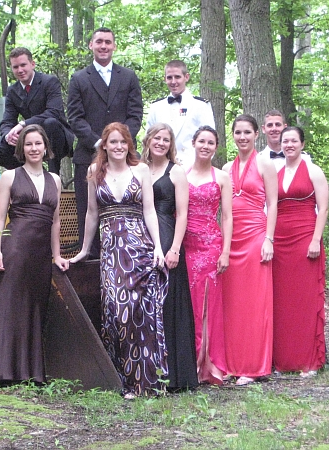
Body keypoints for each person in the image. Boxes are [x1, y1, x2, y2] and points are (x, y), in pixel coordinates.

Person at [70, 122, 167, 399]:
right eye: (113, 142)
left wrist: (159, 247)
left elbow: (150, 211)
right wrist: (84, 250)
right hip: (111, 251)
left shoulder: (141, 170)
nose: (118, 147)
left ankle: (145, 382)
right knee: (116, 311)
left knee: (139, 313)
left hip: (139, 248)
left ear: (129, 145)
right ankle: (121, 379)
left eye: (123, 142)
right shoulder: (93, 172)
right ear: (104, 145)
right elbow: (91, 214)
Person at [0, 125, 69, 386]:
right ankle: (2, 371)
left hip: (41, 254)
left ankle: (30, 372)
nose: (34, 149)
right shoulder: (9, 177)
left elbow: (55, 221)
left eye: (38, 143)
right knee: (10, 306)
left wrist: (57, 255)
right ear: (22, 148)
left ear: (45, 147)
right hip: (15, 247)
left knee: (34, 308)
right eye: (29, 144)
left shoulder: (56, 180)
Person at [67, 27, 143, 258]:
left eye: (108, 42)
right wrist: (100, 143)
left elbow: (135, 113)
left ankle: (128, 255)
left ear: (114, 46)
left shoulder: (128, 77)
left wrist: (119, 143)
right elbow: (75, 117)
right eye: (99, 41)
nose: (103, 46)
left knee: (129, 206)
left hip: (124, 156)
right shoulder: (79, 78)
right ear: (91, 45)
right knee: (87, 211)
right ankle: (88, 259)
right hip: (88, 153)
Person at [141, 123, 198, 391]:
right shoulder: (137, 168)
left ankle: (174, 374)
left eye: (166, 139)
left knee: (168, 307)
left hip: (167, 238)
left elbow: (183, 214)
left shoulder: (176, 172)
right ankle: (147, 373)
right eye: (157, 138)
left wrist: (175, 248)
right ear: (148, 140)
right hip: (139, 241)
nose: (161, 143)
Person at [221, 114, 278, 386]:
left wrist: (269, 239)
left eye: (247, 132)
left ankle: (254, 366)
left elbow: (273, 204)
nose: (242, 137)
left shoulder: (265, 163)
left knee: (255, 304)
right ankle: (233, 363)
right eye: (238, 132)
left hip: (256, 236)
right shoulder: (224, 167)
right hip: (231, 240)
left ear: (257, 135)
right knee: (233, 304)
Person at [273, 126, 328, 377]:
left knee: (305, 299)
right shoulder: (277, 172)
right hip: (281, 242)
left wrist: (316, 239)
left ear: (302, 144)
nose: (289, 145)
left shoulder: (314, 171)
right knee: (283, 301)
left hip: (306, 239)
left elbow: (323, 208)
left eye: (294, 140)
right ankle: (284, 358)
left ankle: (309, 360)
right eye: (285, 141)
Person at [183, 125, 232, 385]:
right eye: (201, 141)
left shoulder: (222, 177)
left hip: (212, 245)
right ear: (193, 143)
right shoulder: (182, 173)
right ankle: (190, 361)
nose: (205, 146)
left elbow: (227, 216)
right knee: (190, 303)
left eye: (210, 143)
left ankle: (210, 364)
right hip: (188, 247)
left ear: (215, 147)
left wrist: (226, 251)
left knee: (209, 305)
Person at [0, 47, 74, 174]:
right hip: (29, 137)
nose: (20, 70)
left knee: (51, 123)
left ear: (32, 64)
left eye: (23, 65)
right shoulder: (12, 91)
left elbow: (54, 112)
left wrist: (23, 124)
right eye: (15, 67)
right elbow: (7, 122)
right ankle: (32, 174)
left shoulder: (49, 81)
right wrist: (8, 136)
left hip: (56, 136)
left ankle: (53, 176)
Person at [146, 60, 215, 170]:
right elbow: (148, 141)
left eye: (177, 77)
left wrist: (198, 169)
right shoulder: (156, 107)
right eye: (169, 77)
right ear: (165, 79)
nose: (173, 81)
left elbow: (210, 141)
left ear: (186, 77)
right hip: (161, 168)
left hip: (191, 168)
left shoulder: (200, 105)